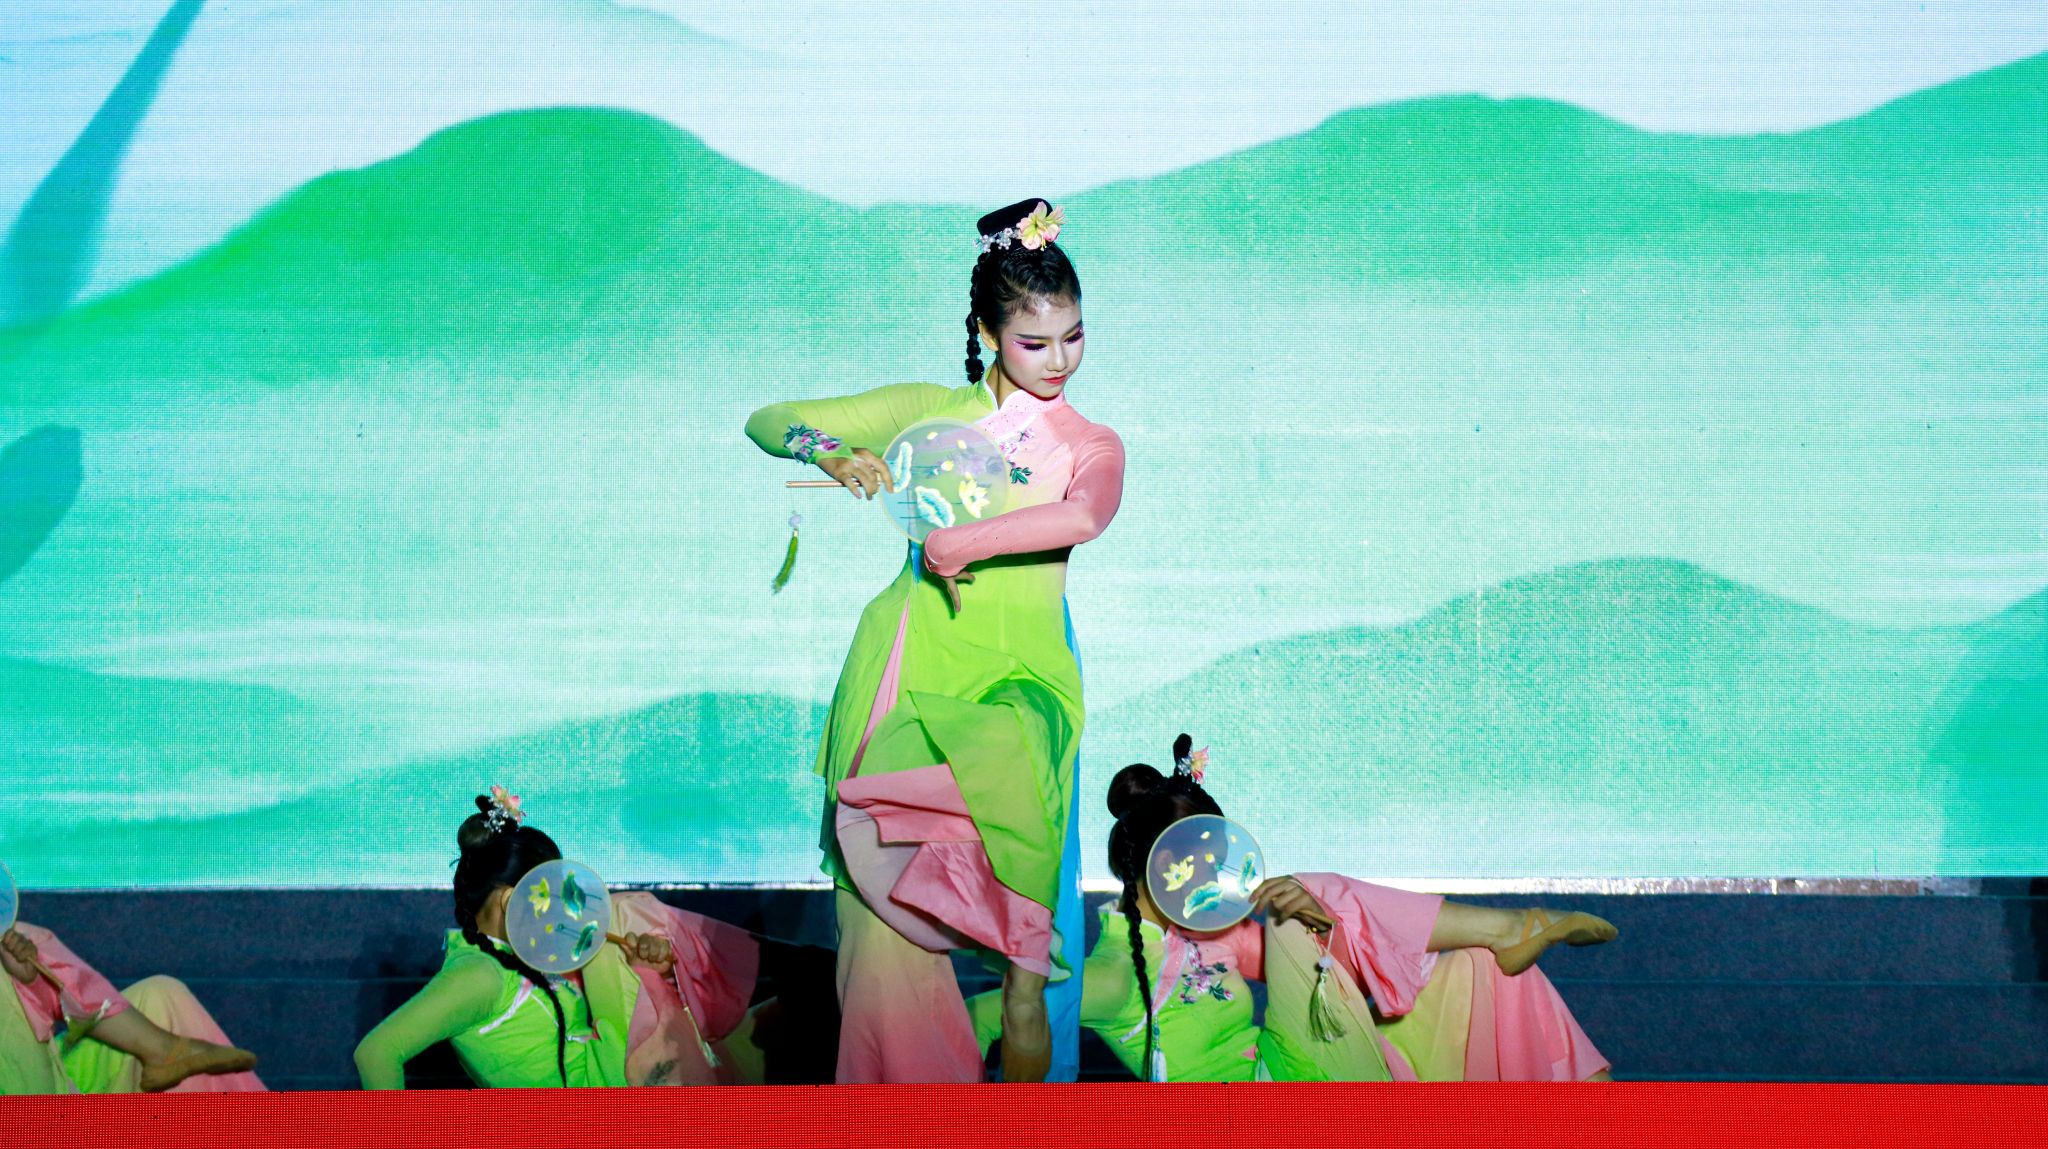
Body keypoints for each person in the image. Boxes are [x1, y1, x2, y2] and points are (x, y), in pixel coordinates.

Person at [745, 199, 1122, 1083]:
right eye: (1035, 342)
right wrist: (830, 453)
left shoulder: (1087, 440)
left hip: (1016, 696)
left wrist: (963, 542)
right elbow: (770, 418)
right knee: (880, 948)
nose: (1060, 360)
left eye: (1074, 337)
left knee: (1027, 977)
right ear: (988, 334)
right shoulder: (934, 413)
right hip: (909, 668)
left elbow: (1085, 514)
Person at [986, 737, 1615, 1082]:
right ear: (1154, 867)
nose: (1213, 875)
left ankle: (1595, 1109)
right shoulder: (1116, 973)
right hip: (1276, 1112)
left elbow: (1333, 966)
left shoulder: (1211, 933)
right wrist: (1018, 995)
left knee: (1478, 970)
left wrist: (1320, 922)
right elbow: (993, 1019)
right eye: (1198, 861)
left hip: (1311, 1068)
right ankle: (1512, 924)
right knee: (1293, 903)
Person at [353, 791, 763, 1089]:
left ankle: (778, 967)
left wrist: (643, 963)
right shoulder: (479, 974)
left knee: (775, 1026)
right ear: (511, 899)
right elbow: (376, 1052)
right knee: (621, 911)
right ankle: (772, 959)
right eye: (549, 893)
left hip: (618, 1080)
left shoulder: (524, 955)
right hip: (600, 1110)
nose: (560, 909)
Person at [1, 921, 261, 1095]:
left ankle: (268, 1134)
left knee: (160, 998)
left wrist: (31, 981)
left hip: (55, 1076)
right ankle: (162, 1049)